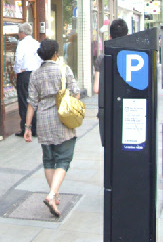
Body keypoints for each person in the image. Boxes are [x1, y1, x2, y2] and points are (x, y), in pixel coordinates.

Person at [24, 38, 80, 217]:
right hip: (62, 119)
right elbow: (76, 92)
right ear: (55, 53)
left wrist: (27, 127)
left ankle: (54, 196)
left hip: (43, 120)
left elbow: (31, 102)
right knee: (63, 159)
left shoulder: (35, 74)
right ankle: (51, 195)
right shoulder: (64, 69)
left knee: (48, 160)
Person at [14, 23, 42, 137]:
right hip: (35, 73)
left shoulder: (22, 44)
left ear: (22, 33)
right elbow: (40, 58)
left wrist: (17, 70)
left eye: (19, 33)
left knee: (24, 101)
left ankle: (26, 126)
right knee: (34, 100)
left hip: (25, 74)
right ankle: (35, 126)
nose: (19, 35)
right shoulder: (36, 43)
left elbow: (18, 58)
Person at [92, 18, 128, 95]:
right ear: (127, 36)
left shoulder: (102, 58)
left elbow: (96, 89)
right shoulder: (136, 57)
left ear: (110, 37)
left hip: (109, 103)